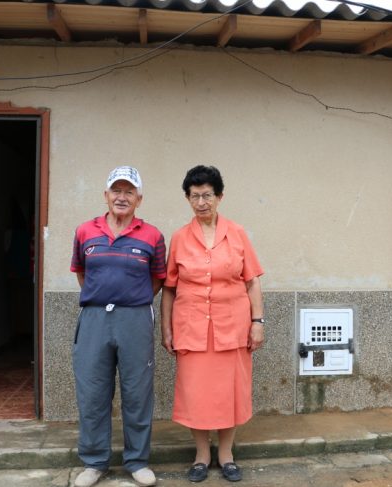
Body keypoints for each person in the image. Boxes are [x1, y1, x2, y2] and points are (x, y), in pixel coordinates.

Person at [161, 165, 265, 483]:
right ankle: (202, 455)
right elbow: (169, 288)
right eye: (194, 196)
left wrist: (257, 322)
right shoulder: (180, 237)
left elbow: (252, 281)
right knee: (196, 394)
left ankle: (226, 454)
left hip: (232, 327)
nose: (201, 202)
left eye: (207, 195)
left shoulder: (237, 233)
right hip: (191, 328)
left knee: (229, 392)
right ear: (187, 198)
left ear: (220, 197)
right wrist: (166, 329)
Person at [70, 166, 166, 487]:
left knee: (137, 392)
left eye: (129, 191)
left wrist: (131, 299)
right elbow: (81, 272)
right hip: (95, 318)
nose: (121, 197)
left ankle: (137, 461)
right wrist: (103, 297)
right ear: (106, 195)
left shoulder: (152, 236)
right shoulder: (85, 231)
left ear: (139, 198)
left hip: (135, 318)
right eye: (116, 190)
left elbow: (157, 279)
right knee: (93, 392)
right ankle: (94, 462)